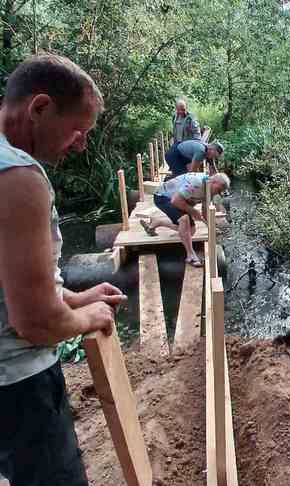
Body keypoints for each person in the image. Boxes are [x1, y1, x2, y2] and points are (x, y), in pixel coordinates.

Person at [0, 55, 127, 486]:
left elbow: (10, 280)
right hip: (17, 385)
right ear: (39, 108)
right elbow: (35, 322)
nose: (81, 144)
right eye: (79, 129)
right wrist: (88, 317)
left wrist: (76, 297)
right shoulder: (19, 177)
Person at [140, 172, 230, 267]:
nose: (218, 193)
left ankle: (158, 222)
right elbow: (175, 201)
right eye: (219, 189)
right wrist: (193, 211)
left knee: (190, 231)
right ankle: (190, 255)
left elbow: (205, 212)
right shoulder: (196, 183)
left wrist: (211, 227)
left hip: (180, 200)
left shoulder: (210, 190)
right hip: (163, 197)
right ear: (213, 181)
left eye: (220, 191)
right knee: (184, 219)